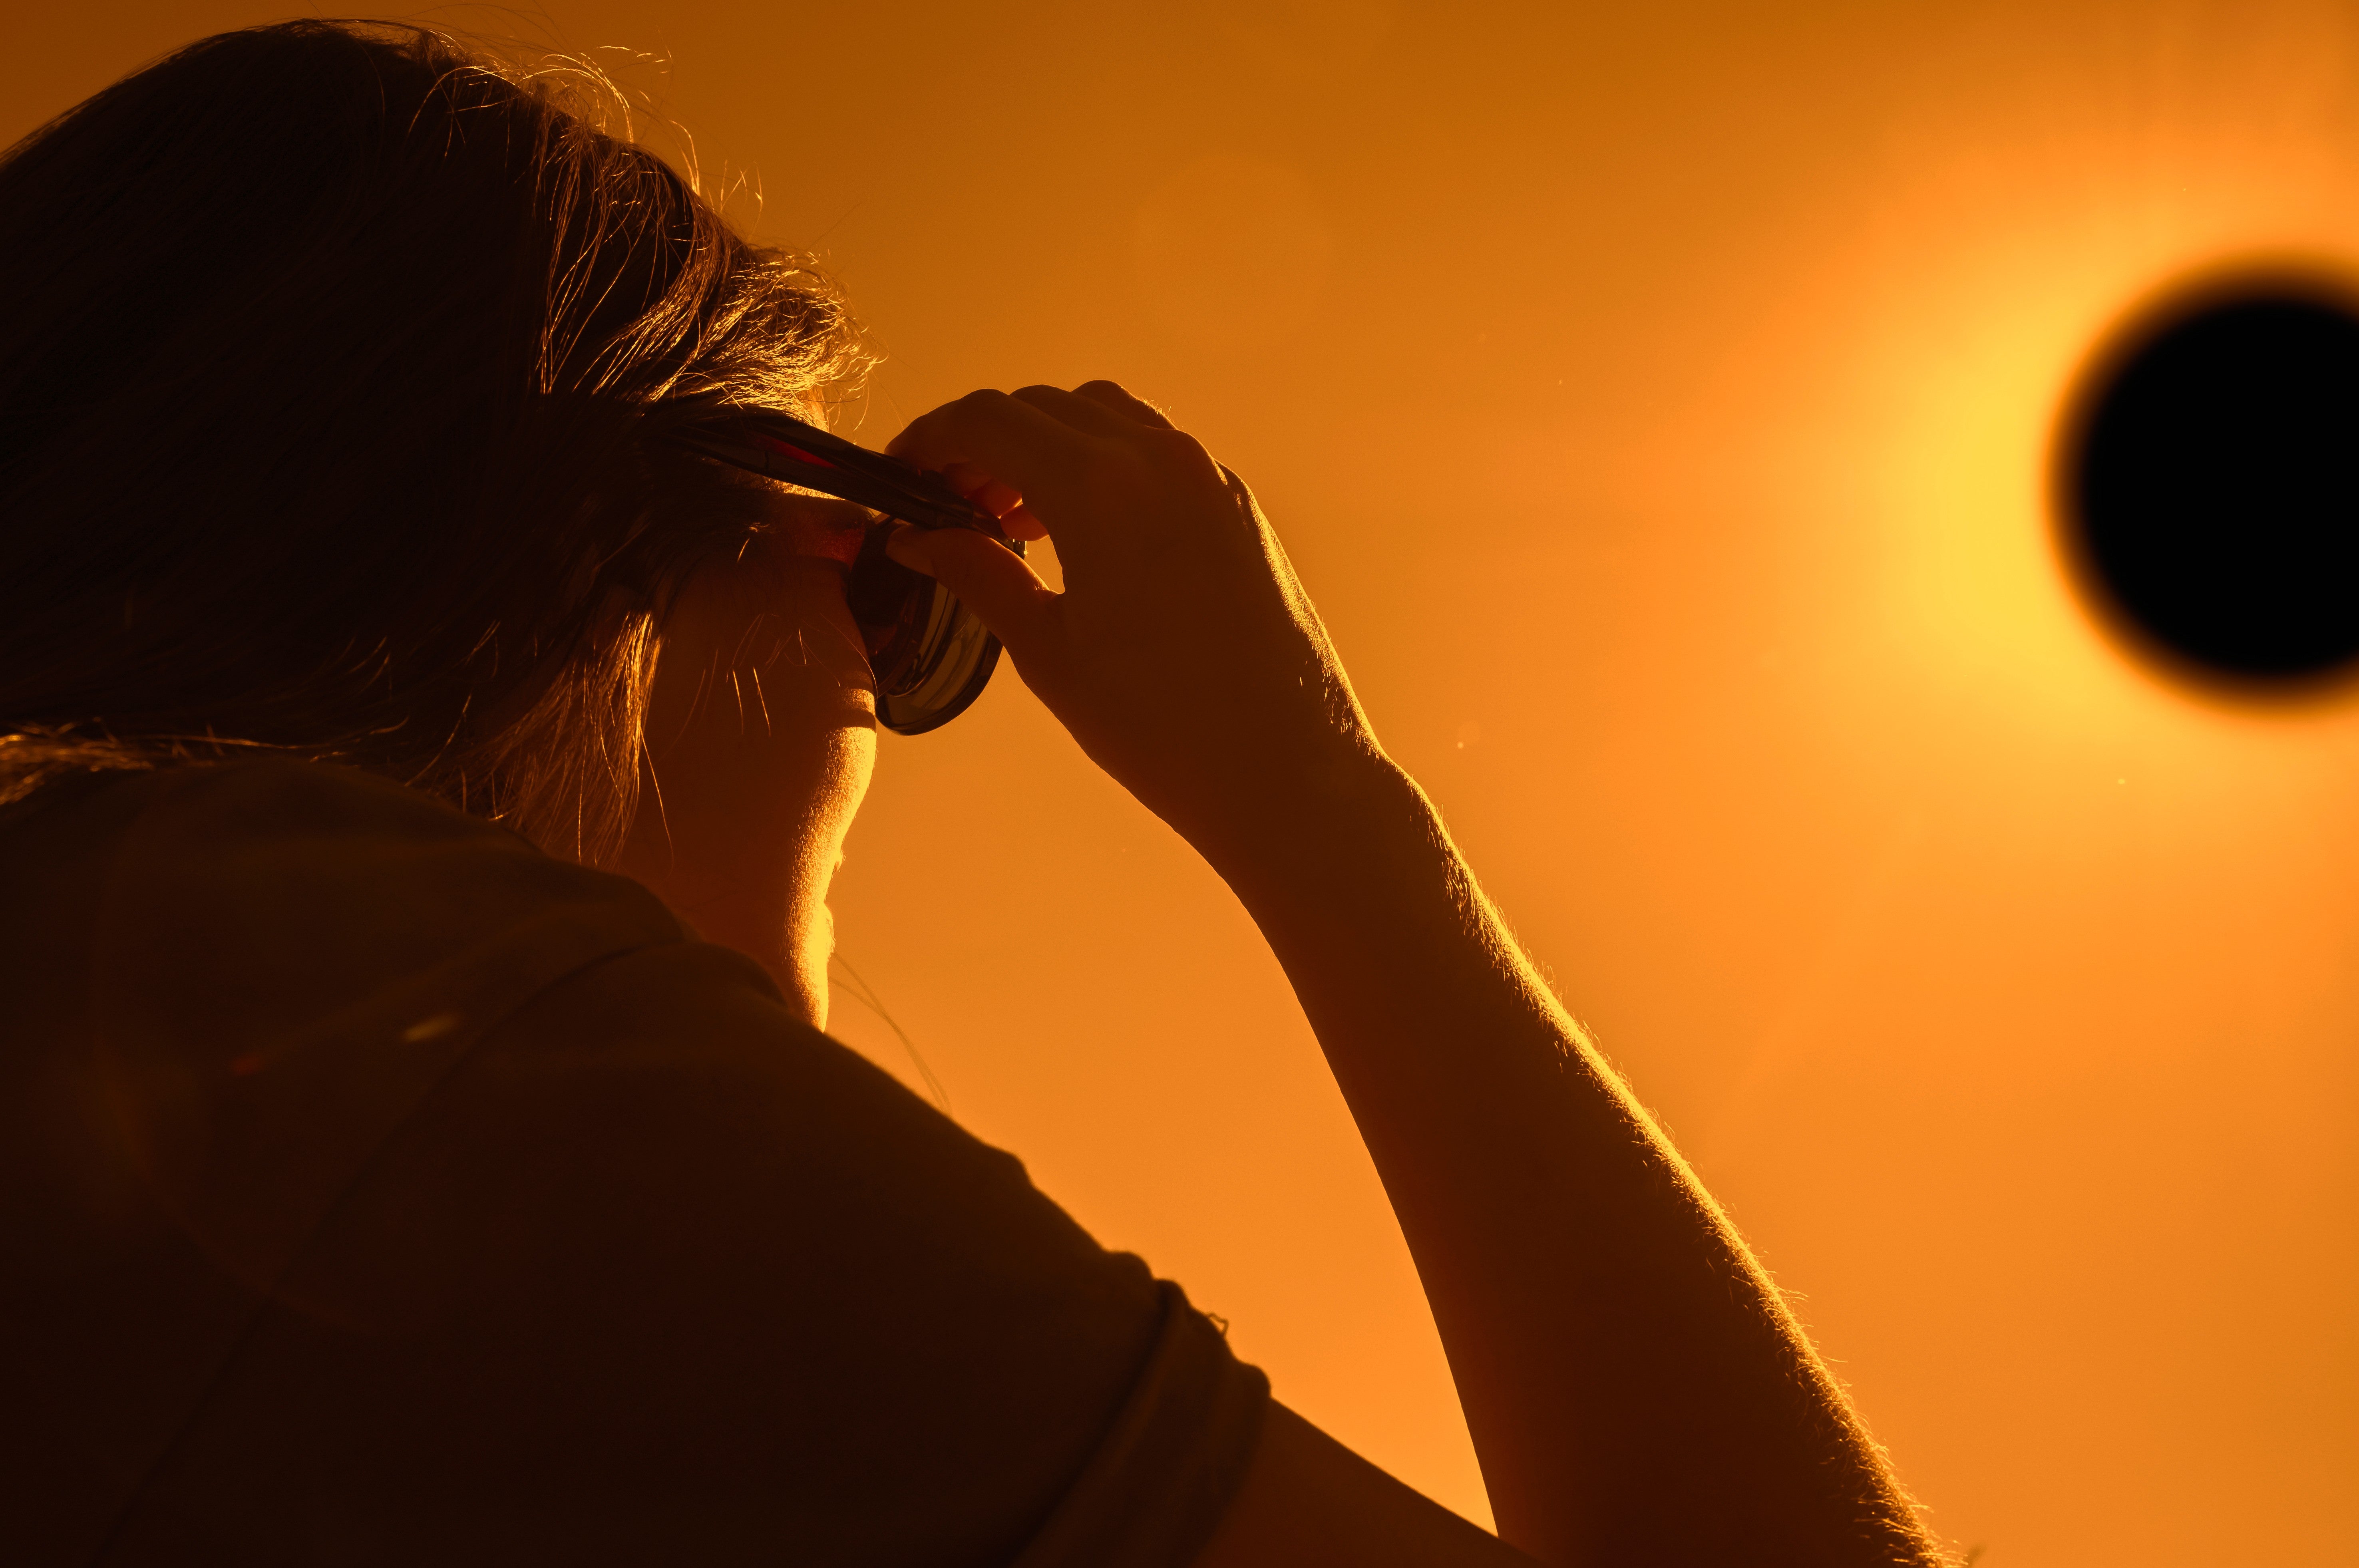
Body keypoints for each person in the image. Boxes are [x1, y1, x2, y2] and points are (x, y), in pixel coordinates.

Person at [0, 21, 1949, 1568]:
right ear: (583, 529)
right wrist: (1328, 812)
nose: (888, 687)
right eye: (890, 574)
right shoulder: (440, 1051)